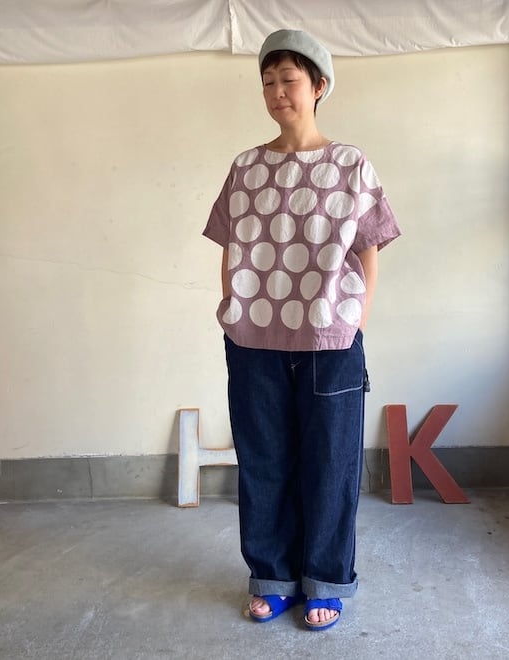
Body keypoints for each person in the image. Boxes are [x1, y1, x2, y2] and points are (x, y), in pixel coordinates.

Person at [203, 28, 400, 631]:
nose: (277, 93)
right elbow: (230, 245)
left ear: (318, 86)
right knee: (264, 462)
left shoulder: (350, 165)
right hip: (254, 341)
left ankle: (326, 581)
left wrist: (356, 317)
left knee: (331, 466)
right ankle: (272, 578)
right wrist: (232, 303)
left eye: (288, 80)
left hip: (329, 340)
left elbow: (368, 249)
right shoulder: (246, 168)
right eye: (267, 82)